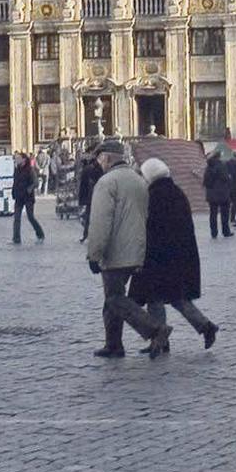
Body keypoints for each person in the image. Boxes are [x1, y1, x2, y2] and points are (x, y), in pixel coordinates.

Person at [84, 141, 166, 358]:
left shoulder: (106, 182)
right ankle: (113, 344)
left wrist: (94, 253)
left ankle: (154, 329)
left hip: (115, 252)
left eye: (100, 159)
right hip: (136, 249)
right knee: (112, 300)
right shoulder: (139, 180)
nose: (99, 163)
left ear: (107, 158)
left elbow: (101, 222)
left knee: (115, 299)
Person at [129, 157, 217, 351]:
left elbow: (150, 227)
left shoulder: (154, 195)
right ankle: (204, 326)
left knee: (155, 298)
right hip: (179, 255)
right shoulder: (176, 191)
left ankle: (160, 339)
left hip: (158, 256)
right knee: (177, 298)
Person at [202, 145, 236, 240]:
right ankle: (226, 231)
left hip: (211, 194)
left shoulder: (208, 167)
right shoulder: (221, 165)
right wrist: (230, 179)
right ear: (219, 156)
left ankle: (214, 232)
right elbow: (225, 178)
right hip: (222, 193)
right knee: (224, 213)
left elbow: (205, 181)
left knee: (213, 213)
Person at [10, 153, 44, 244]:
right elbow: (15, 182)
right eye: (16, 158)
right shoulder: (17, 170)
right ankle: (16, 238)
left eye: (18, 158)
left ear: (24, 160)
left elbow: (36, 182)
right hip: (19, 197)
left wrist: (29, 189)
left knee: (30, 217)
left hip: (28, 197)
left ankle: (40, 233)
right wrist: (13, 192)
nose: (16, 160)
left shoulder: (30, 170)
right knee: (16, 218)